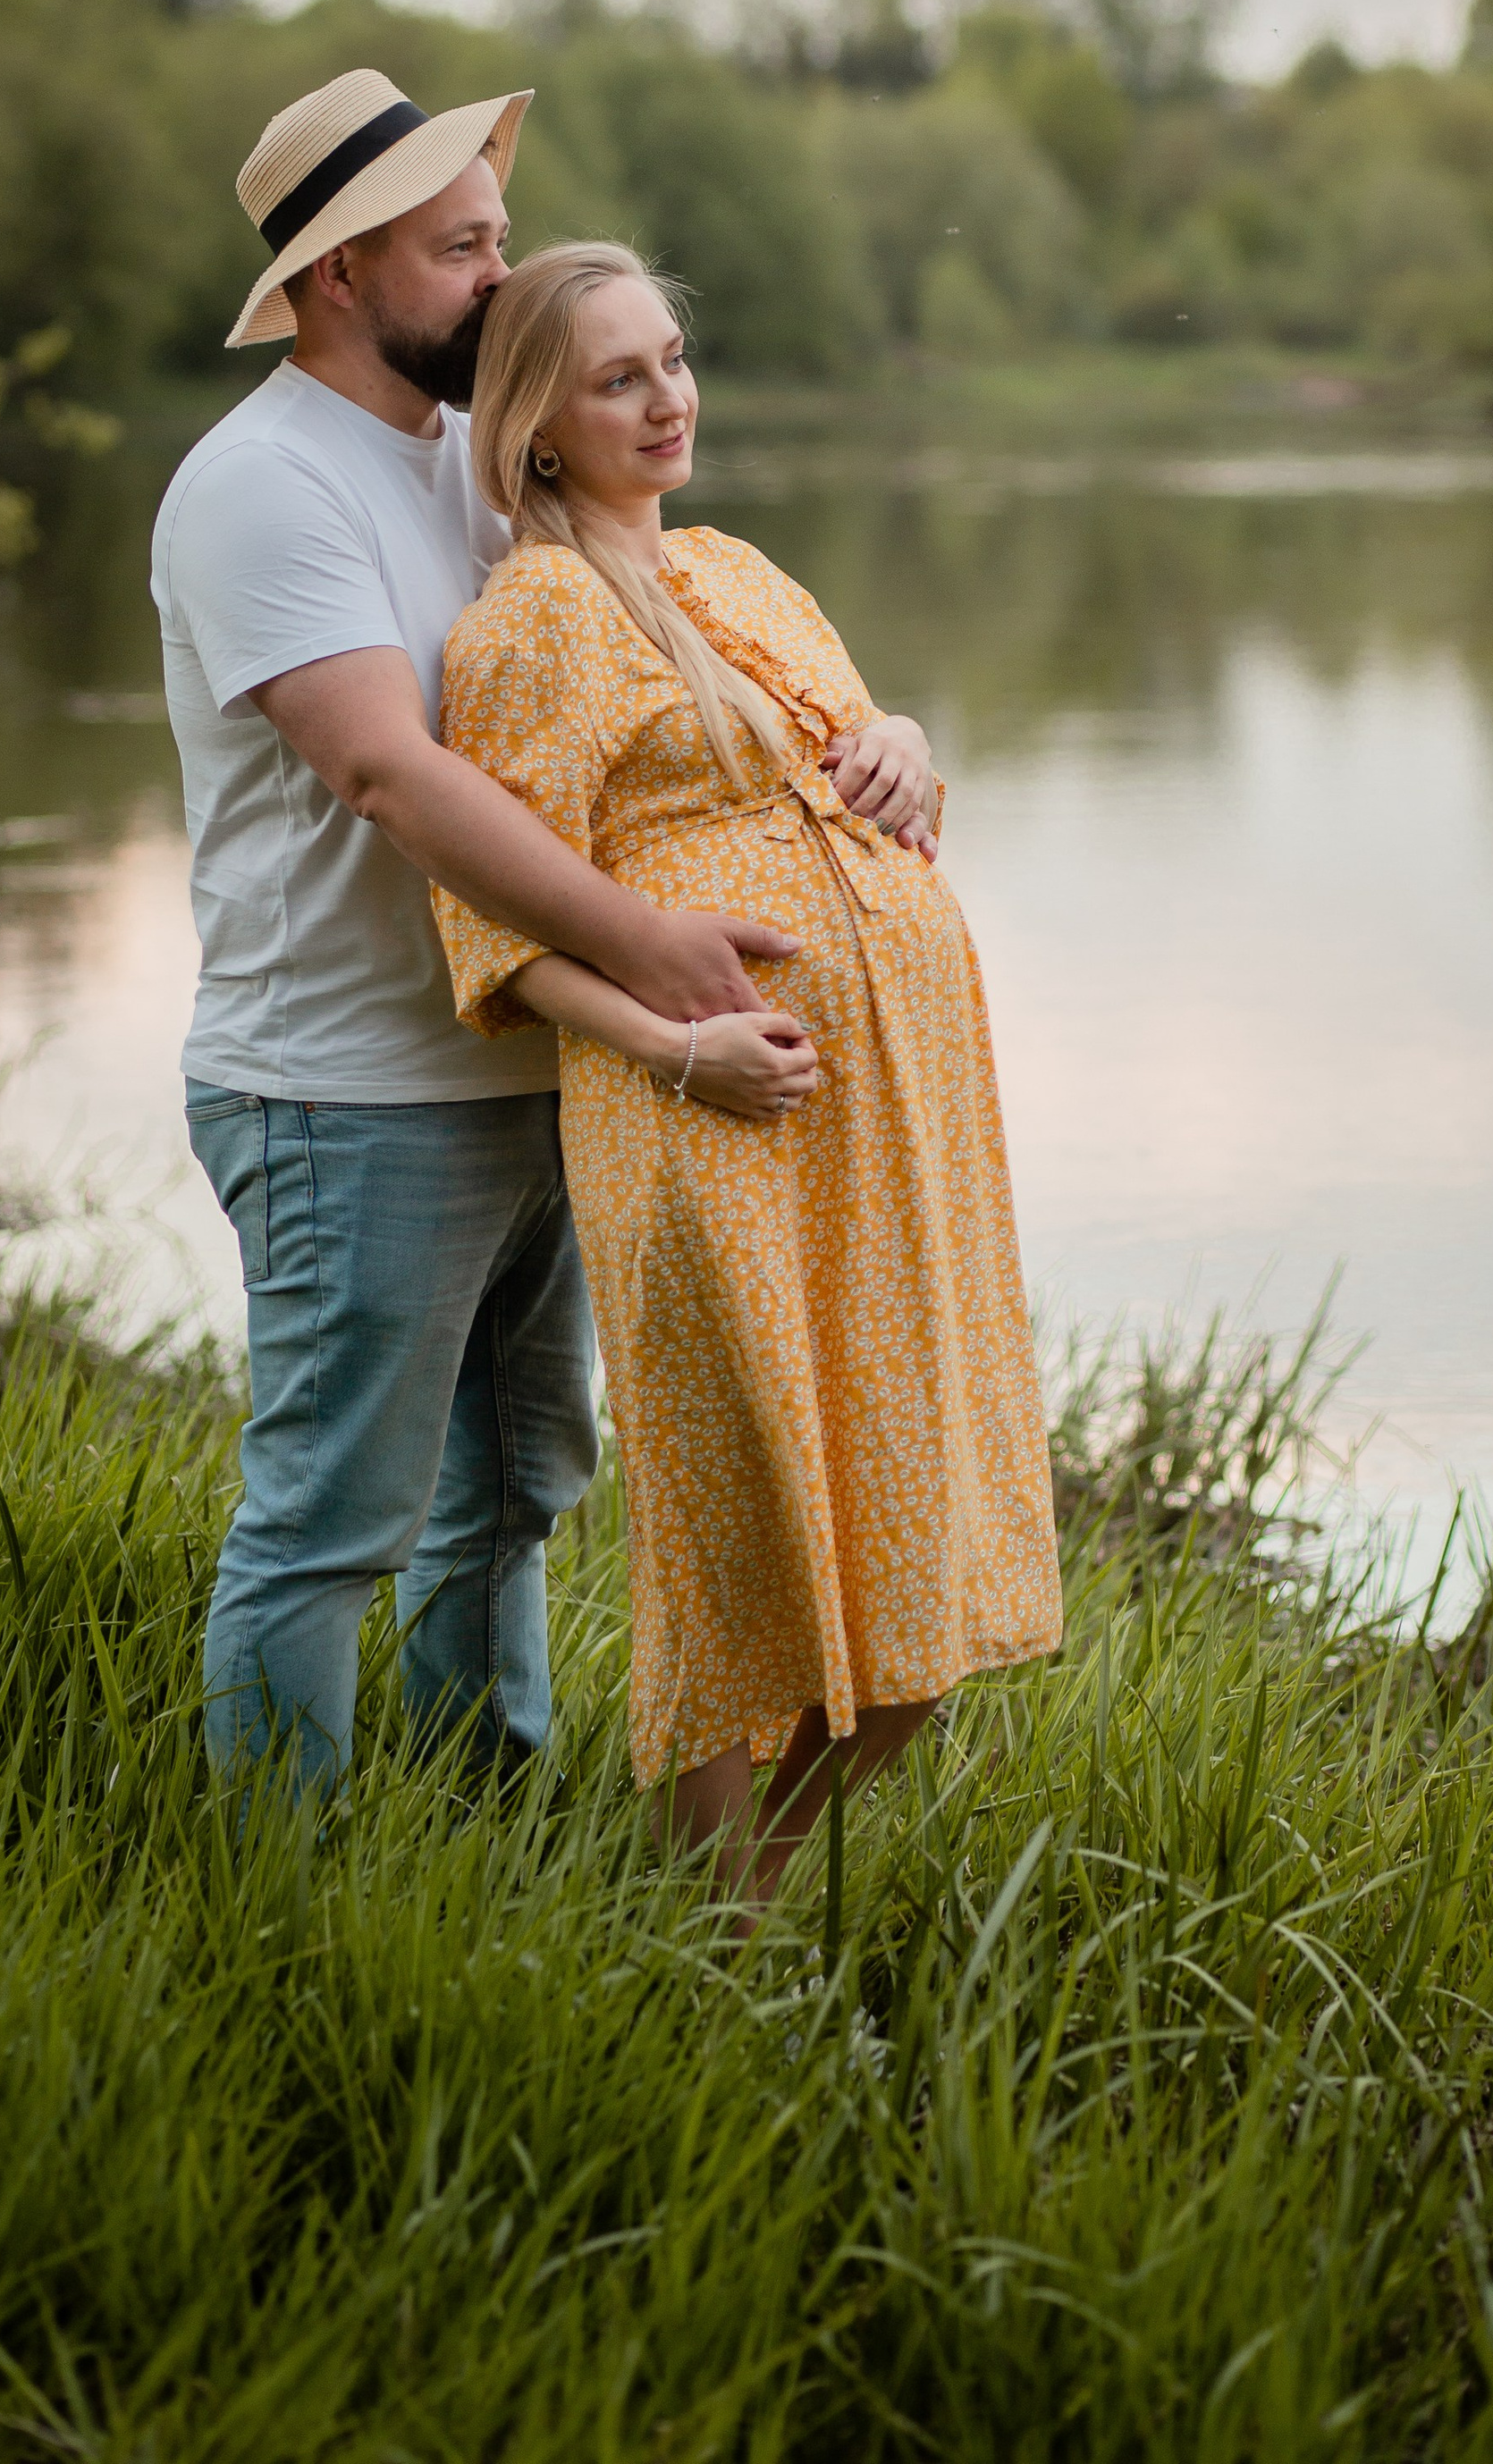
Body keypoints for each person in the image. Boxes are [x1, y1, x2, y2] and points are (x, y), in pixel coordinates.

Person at [153, 69, 934, 1795]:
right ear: (340, 271)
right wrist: (649, 949)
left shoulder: (480, 466)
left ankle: (479, 1823)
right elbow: (388, 772)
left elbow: (675, 689)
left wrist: (887, 737)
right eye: (460, 249)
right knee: (332, 1522)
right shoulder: (265, 484)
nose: (501, 276)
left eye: (499, 237)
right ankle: (274, 1897)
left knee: (513, 1494)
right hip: (350, 1084)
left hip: (549, 1064)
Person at [429, 240, 1063, 1913]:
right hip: (704, 1118)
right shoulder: (528, 625)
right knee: (742, 1531)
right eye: (618, 378)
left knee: (921, 1538)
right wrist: (677, 1045)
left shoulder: (743, 571)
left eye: (674, 361)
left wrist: (907, 740)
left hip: (891, 1133)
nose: (669, 400)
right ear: (536, 426)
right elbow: (490, 931)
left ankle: (730, 1902)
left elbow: (858, 757)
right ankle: (714, 1930)